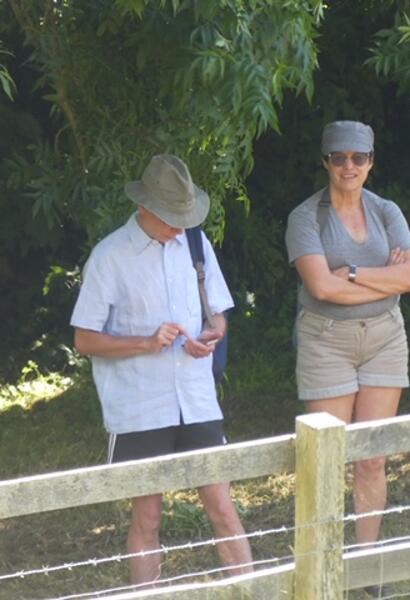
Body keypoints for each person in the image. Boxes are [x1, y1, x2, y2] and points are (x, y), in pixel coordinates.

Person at [70, 154, 254, 586]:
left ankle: (251, 593)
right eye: (172, 218)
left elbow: (218, 314)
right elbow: (84, 340)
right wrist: (146, 342)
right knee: (148, 517)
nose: (179, 227)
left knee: (223, 507)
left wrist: (211, 334)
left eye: (184, 217)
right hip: (139, 407)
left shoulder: (196, 243)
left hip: (197, 398)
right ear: (144, 206)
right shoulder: (109, 256)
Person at [285, 121, 410, 591]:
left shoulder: (386, 210)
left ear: (371, 162)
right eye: (339, 157)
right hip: (326, 340)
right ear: (325, 161)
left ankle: (365, 564)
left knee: (372, 457)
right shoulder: (305, 217)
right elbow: (321, 287)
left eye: (358, 158)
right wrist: (384, 279)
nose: (349, 166)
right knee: (326, 458)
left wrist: (354, 273)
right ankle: (324, 565)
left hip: (385, 337)